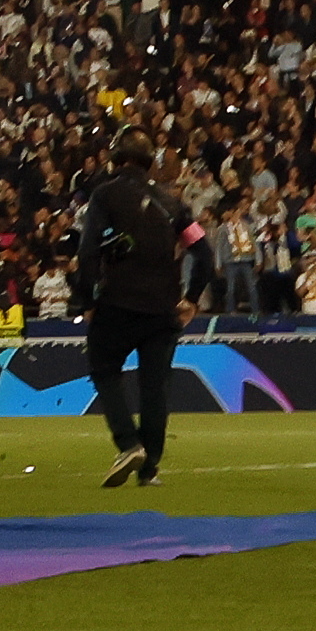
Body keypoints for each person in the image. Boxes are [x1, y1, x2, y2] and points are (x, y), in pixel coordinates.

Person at [71, 148, 190, 490]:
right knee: (155, 388)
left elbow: (89, 249)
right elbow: (200, 247)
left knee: (104, 370)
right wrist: (192, 298)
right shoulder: (171, 202)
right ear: (149, 162)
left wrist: (87, 300)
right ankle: (149, 469)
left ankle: (128, 443)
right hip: (163, 308)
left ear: (116, 162)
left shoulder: (105, 194)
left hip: (118, 303)